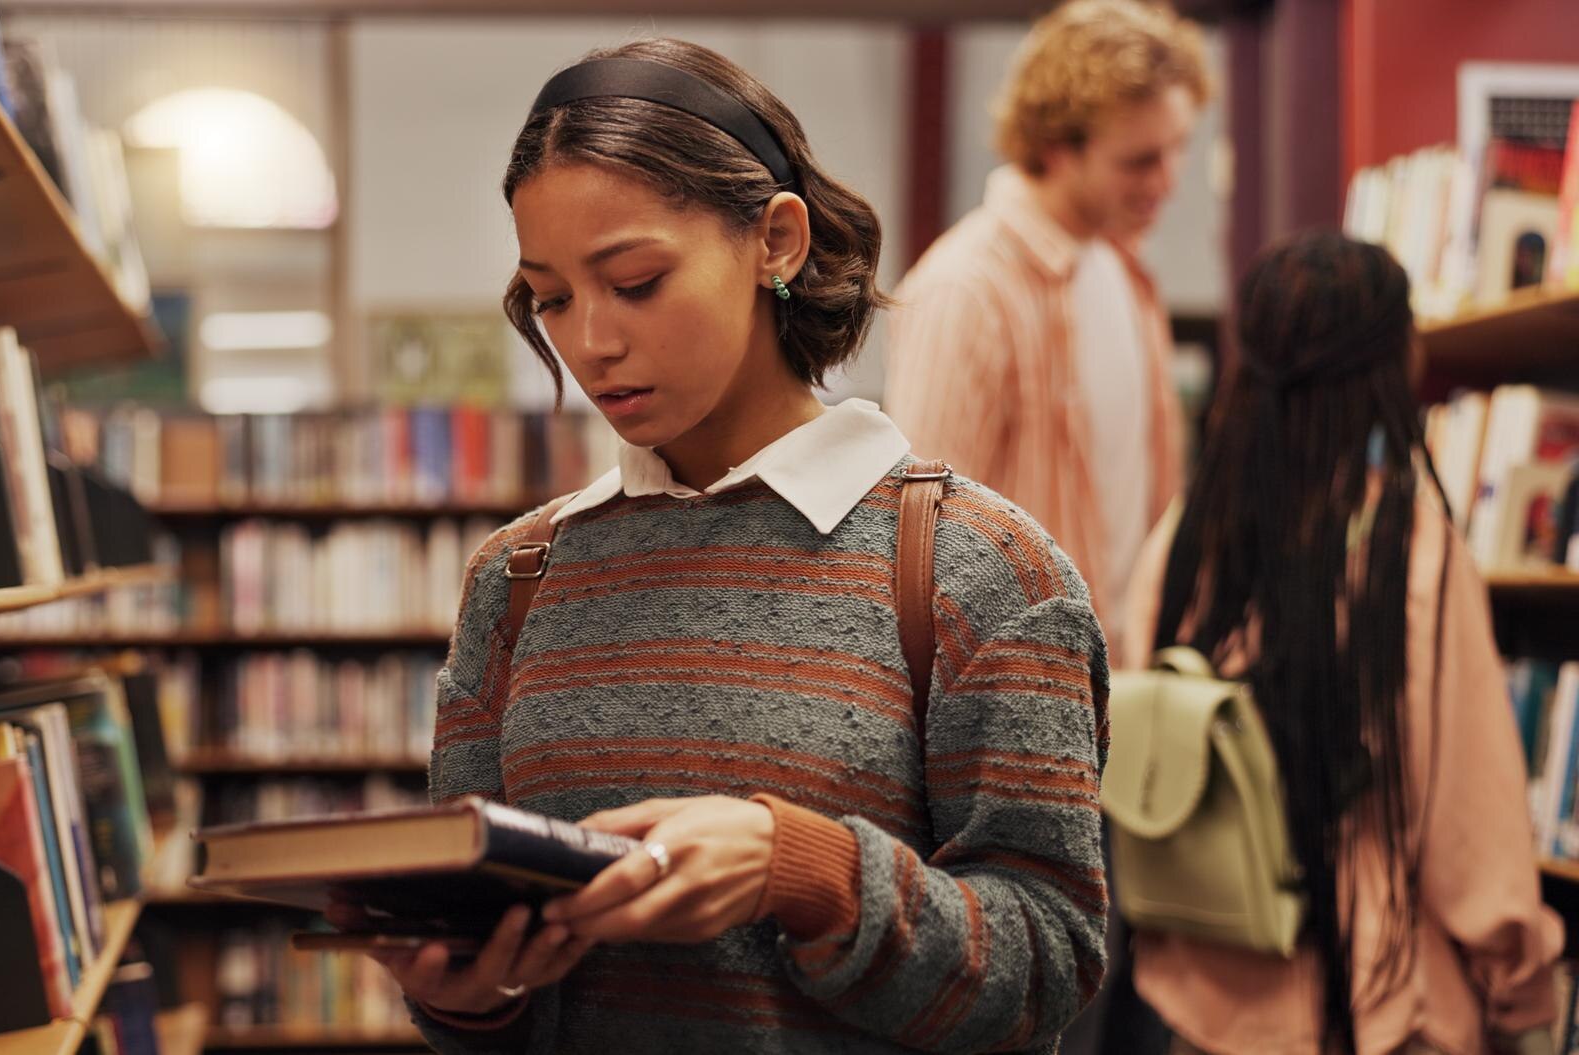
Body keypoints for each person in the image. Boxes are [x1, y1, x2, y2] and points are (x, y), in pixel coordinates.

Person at [338, 37, 1113, 1055]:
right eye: (551, 298)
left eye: (635, 281)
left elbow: (1049, 959)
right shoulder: (517, 577)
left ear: (776, 241)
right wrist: (468, 996)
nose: (590, 341)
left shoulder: (981, 570)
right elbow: (496, 987)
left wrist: (805, 870)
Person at [1119, 231, 1564, 1055]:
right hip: (1369, 1002)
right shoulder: (1406, 550)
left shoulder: (1188, 536)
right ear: (1389, 365)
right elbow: (1471, 834)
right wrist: (1524, 994)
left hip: (1200, 991)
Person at [882, 0, 1210, 648]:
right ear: (1057, 149)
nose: (1169, 181)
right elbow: (920, 548)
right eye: (1140, 161)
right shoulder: (966, 289)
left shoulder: (1125, 269)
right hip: (1019, 685)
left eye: (1178, 149)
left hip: (1121, 673)